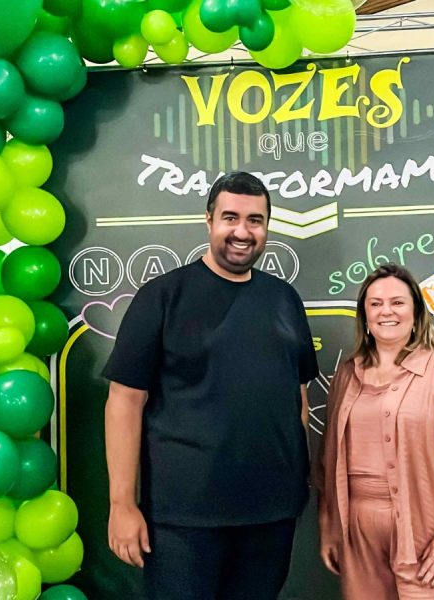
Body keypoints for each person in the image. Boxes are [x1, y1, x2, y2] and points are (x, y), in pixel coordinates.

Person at [103, 172, 319, 600]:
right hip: (183, 519)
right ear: (209, 220)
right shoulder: (163, 296)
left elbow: (297, 397)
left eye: (255, 220)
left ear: (267, 226)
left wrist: (299, 482)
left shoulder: (284, 299)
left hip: (271, 514)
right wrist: (122, 504)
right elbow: (124, 402)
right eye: (230, 217)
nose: (242, 231)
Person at [316, 263, 434, 600]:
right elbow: (328, 461)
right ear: (364, 316)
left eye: (397, 302)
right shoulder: (346, 375)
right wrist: (328, 528)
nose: (386, 311)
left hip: (431, 533)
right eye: (375, 303)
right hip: (358, 541)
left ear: (416, 312)